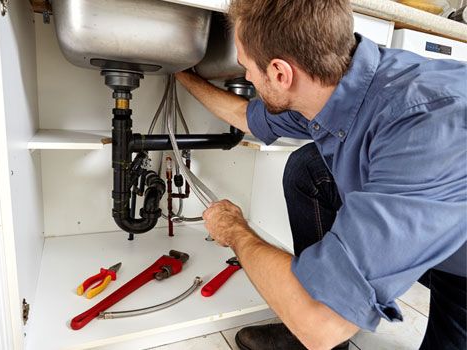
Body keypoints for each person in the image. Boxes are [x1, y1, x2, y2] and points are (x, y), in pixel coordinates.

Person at [175, 0, 467, 349]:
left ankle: (314, 304)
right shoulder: (336, 81)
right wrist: (182, 75)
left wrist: (236, 231)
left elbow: (322, 325)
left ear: (281, 74)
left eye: (245, 66)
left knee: (325, 322)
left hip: (462, 263)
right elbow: (245, 117)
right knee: (308, 170)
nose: (247, 77)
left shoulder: (427, 123)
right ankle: (317, 299)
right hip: (438, 218)